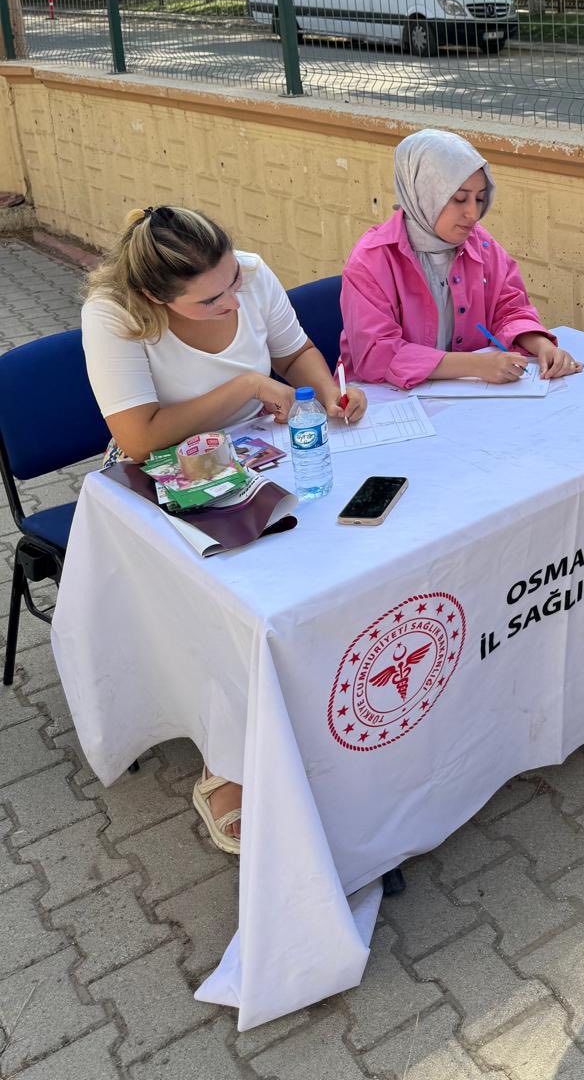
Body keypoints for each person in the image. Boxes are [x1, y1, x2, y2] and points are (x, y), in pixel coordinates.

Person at [81, 205, 367, 857]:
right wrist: (243, 384)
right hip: (160, 479)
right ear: (157, 296)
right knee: (232, 594)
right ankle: (227, 760)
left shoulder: (251, 275)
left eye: (235, 278)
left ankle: (310, 716)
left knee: (326, 555)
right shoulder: (114, 314)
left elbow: (295, 353)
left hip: (258, 456)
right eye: (213, 298)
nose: (234, 296)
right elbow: (138, 434)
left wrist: (326, 394)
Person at [340, 129, 582, 387]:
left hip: (463, 398)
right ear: (422, 193)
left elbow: (510, 307)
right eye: (458, 199)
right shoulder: (372, 259)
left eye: (479, 199)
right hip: (381, 403)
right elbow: (377, 353)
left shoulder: (480, 244)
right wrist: (477, 365)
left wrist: (542, 346)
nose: (473, 213)